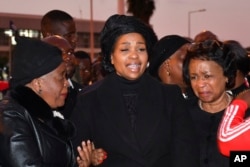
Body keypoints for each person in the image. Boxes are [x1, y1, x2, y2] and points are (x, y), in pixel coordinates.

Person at [71, 14, 199, 167]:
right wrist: (89, 161)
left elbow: (186, 155)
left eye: (141, 49)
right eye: (125, 49)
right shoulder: (88, 100)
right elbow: (76, 155)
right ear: (111, 56)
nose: (134, 55)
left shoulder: (170, 96)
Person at [0, 36, 76, 166]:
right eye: (61, 77)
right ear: (38, 83)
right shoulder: (10, 117)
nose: (67, 84)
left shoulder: (43, 116)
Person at [182, 39, 237, 167]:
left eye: (207, 76)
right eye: (194, 77)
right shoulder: (182, 113)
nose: (200, 84)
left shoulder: (242, 116)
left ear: (226, 76)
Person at [42, 35, 82, 119]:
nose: (68, 57)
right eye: (59, 53)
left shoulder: (84, 94)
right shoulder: (25, 104)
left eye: (70, 53)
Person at [148, 34, 193, 99]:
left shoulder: (198, 100)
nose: (193, 64)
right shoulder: (151, 100)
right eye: (186, 58)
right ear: (167, 64)